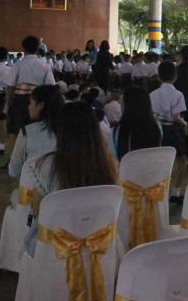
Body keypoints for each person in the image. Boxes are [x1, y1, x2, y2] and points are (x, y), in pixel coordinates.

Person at [19, 102, 117, 256]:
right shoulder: (109, 165)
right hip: (102, 247)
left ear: (60, 132)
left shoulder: (42, 166)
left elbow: (38, 213)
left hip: (54, 250)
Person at [5, 36, 56, 164]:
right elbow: (51, 86)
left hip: (19, 100)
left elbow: (10, 86)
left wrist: (8, 101)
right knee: (37, 130)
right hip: (38, 101)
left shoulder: (18, 64)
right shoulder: (44, 65)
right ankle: (34, 160)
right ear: (38, 48)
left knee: (15, 131)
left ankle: (14, 161)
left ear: (23, 48)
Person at [149, 61, 188, 203]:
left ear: (158, 77)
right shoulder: (178, 94)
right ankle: (176, 192)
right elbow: (176, 117)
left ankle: (157, 191)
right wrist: (185, 125)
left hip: (156, 130)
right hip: (172, 130)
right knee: (182, 159)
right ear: (175, 77)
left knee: (158, 161)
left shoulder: (152, 94)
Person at [8, 85, 63, 178]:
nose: (28, 107)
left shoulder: (27, 132)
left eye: (31, 103)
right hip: (64, 185)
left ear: (41, 105)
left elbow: (14, 170)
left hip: (34, 185)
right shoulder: (69, 130)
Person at [110, 86, 162, 160]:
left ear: (125, 106)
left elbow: (113, 158)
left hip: (125, 167)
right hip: (153, 167)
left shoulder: (115, 131)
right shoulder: (157, 127)